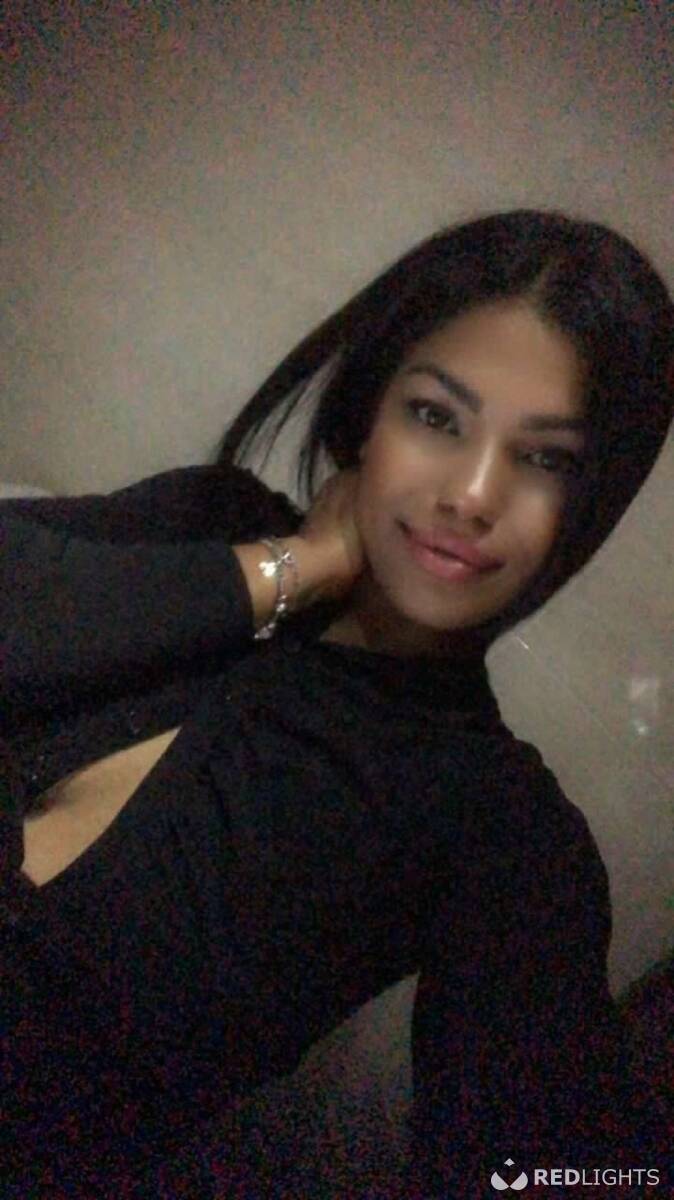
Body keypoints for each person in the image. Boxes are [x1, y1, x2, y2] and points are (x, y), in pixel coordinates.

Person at [1, 209, 671, 1198]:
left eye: (546, 460)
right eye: (436, 417)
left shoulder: (496, 828)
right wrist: (301, 562)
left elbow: (548, 1159)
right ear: (368, 416)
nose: (471, 494)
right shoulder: (211, 522)